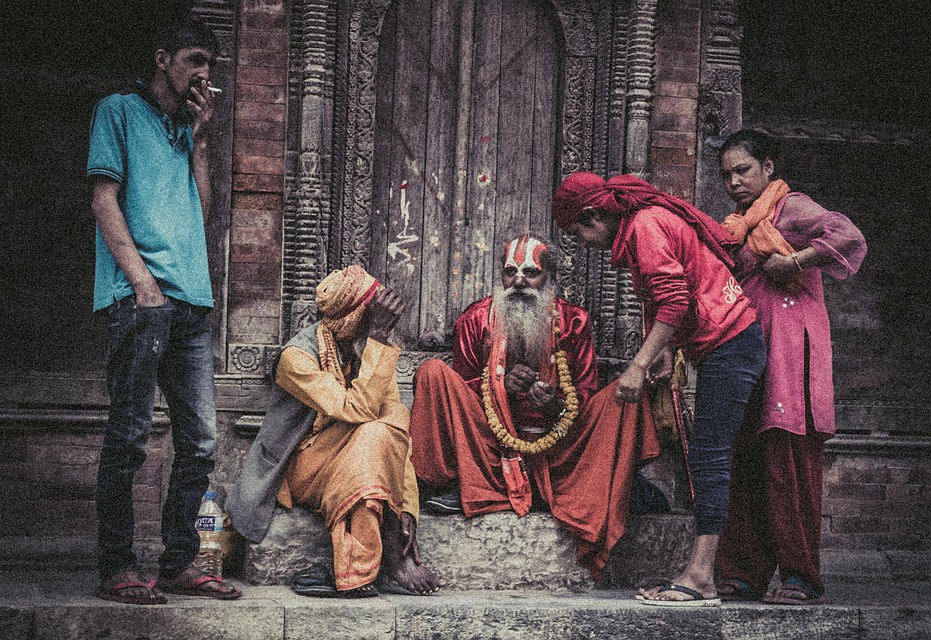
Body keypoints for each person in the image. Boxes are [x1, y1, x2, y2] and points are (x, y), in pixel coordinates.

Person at [553, 173, 767, 606]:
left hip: (731, 343)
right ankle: (707, 570)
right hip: (726, 343)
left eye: (578, 230)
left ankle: (702, 576)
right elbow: (663, 299)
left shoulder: (645, 226)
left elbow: (675, 302)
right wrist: (665, 350)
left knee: (709, 457)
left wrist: (638, 364)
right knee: (713, 455)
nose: (582, 240)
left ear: (594, 215)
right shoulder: (642, 225)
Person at [88, 16, 241, 604]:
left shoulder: (184, 131)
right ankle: (118, 568)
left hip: (191, 304)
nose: (204, 74)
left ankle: (179, 562)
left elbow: (200, 216)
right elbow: (103, 200)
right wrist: (141, 284)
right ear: (163, 58)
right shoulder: (117, 110)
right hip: (141, 300)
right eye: (195, 60)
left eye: (210, 65)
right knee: (129, 435)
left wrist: (201, 139)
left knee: (200, 439)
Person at [409, 235, 660, 580]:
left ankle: (614, 483)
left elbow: (585, 392)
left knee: (624, 393)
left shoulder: (573, 321)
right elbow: (460, 394)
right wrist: (498, 386)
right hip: (490, 450)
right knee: (432, 373)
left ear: (549, 278)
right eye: (510, 272)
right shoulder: (476, 319)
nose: (519, 281)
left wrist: (557, 404)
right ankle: (462, 484)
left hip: (560, 451)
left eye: (531, 272)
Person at [714, 129, 867, 605]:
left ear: (768, 168)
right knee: (747, 457)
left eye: (744, 170)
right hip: (751, 347)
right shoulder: (735, 224)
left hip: (791, 350)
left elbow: (849, 236)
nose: (735, 182)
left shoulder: (791, 207)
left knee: (789, 461)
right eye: (727, 175)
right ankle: (744, 573)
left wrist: (798, 259)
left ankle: (801, 576)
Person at [228, 266, 441, 597]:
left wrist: (407, 507)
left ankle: (361, 567)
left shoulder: (362, 350)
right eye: (373, 316)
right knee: (374, 428)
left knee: (388, 421)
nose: (380, 323)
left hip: (355, 459)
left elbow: (396, 437)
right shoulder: (296, 359)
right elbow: (358, 410)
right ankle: (387, 561)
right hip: (303, 468)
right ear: (357, 319)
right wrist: (379, 337)